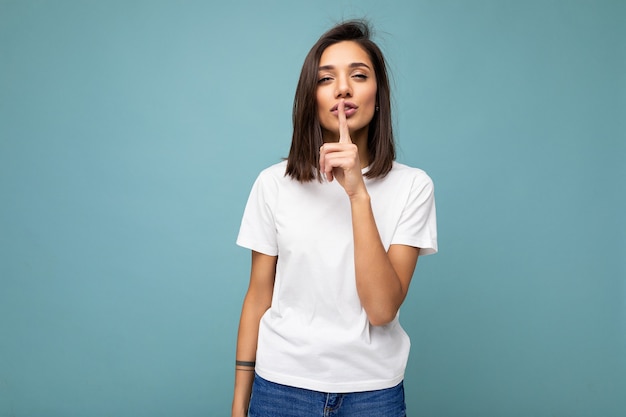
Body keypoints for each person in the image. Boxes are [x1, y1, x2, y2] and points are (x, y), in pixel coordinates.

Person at [231, 20, 437, 417]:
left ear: (378, 95)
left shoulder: (413, 186)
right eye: (327, 79)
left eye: (359, 75)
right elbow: (258, 295)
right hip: (280, 391)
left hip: (373, 394)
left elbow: (381, 309)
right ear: (312, 97)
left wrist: (357, 193)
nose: (343, 88)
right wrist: (240, 402)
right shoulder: (274, 184)